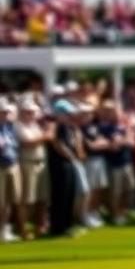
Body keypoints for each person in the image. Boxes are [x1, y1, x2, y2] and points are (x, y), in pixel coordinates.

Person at [48, 99, 84, 237]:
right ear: (59, 113)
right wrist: (71, 157)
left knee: (69, 194)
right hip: (60, 164)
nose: (70, 115)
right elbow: (58, 144)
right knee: (61, 196)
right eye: (67, 113)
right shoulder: (56, 126)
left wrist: (73, 157)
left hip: (69, 163)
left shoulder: (68, 127)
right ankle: (58, 227)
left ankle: (68, 225)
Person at [15, 98, 50, 238]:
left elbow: (40, 140)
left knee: (42, 198)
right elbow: (28, 143)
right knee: (27, 199)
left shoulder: (35, 125)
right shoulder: (18, 126)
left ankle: (40, 227)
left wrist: (44, 136)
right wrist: (45, 136)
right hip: (27, 163)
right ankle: (23, 229)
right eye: (28, 112)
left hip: (41, 163)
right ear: (21, 112)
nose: (31, 114)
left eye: (32, 112)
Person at [98, 100, 135, 226]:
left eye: (118, 111)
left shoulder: (124, 127)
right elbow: (112, 147)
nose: (117, 114)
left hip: (127, 162)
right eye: (113, 112)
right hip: (114, 164)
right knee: (115, 192)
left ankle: (123, 212)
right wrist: (122, 141)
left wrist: (122, 140)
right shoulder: (104, 128)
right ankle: (115, 214)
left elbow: (132, 143)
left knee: (130, 188)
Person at [80, 101, 109, 228]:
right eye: (85, 113)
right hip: (89, 161)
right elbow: (90, 146)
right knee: (90, 189)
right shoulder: (80, 129)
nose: (88, 115)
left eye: (90, 113)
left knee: (98, 188)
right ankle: (86, 215)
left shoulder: (95, 126)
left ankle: (94, 212)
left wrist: (98, 144)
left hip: (100, 160)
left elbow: (105, 142)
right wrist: (99, 144)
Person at [0, 99, 23, 242]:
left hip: (12, 165)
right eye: (2, 112)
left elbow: (14, 145)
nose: (4, 115)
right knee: (1, 202)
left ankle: (4, 230)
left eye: (5, 112)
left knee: (9, 200)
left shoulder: (9, 127)